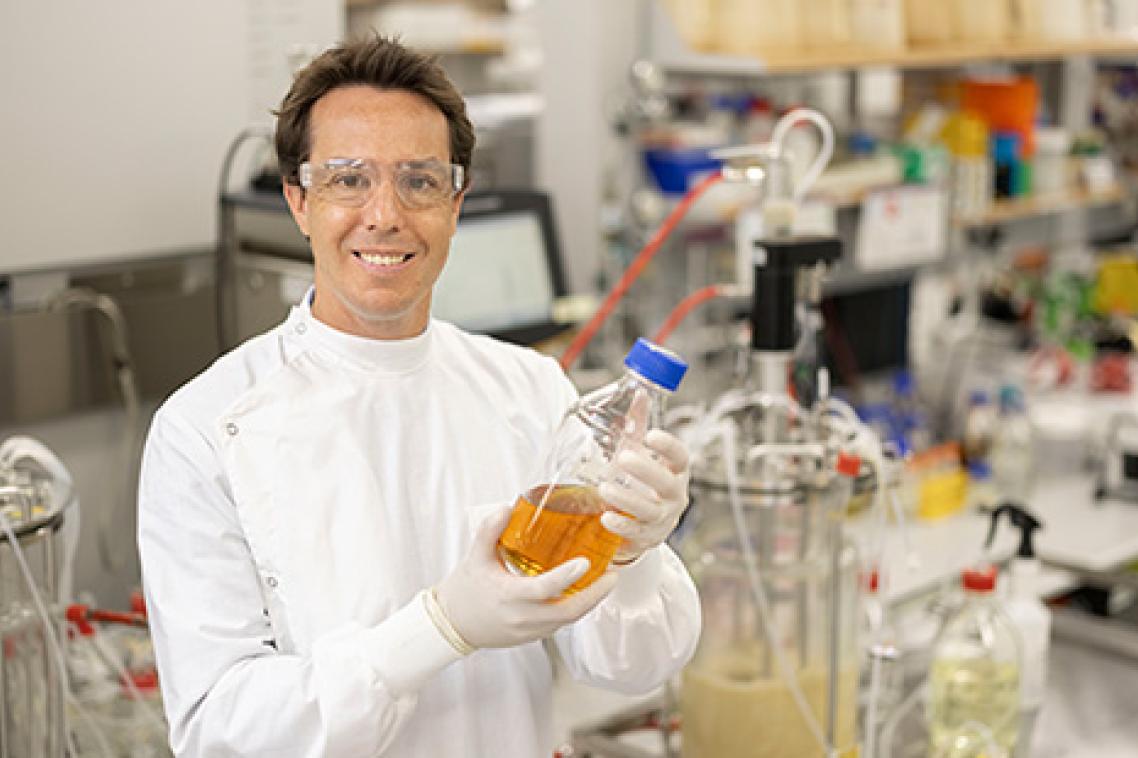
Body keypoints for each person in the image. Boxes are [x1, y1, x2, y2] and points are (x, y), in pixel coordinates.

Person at [137, 34, 701, 757]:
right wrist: (438, 629)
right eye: (347, 179)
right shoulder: (204, 430)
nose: (385, 214)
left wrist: (633, 552)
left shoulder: (528, 389)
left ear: (457, 202)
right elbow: (219, 730)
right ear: (298, 201)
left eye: (420, 181)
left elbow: (629, 665)